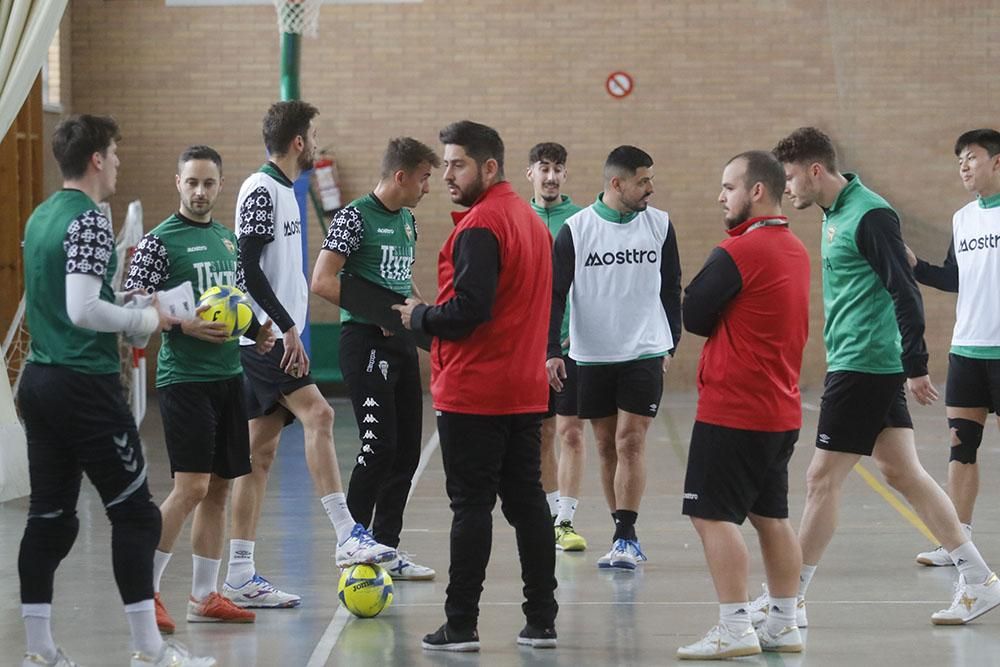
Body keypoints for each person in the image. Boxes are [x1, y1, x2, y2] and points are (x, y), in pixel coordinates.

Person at [756, 126, 1000, 628]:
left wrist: (915, 363)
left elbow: (904, 291)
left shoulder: (869, 214)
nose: (789, 188)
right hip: (859, 362)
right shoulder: (834, 214)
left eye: (792, 177)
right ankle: (978, 579)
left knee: (820, 479)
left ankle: (787, 600)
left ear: (816, 170)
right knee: (903, 473)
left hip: (865, 365)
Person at [18, 115, 213, 666]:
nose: (120, 164)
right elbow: (83, 310)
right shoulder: (89, 220)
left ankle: (39, 649)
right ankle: (149, 649)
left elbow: (65, 300)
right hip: (83, 384)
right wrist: (148, 319)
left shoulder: (40, 217)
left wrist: (124, 301)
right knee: (135, 515)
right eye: (116, 155)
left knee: (51, 519)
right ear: (98, 159)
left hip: (39, 379)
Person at [393, 120, 558, 652]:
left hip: (475, 391)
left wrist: (420, 316)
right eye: (444, 164)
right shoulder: (530, 221)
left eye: (457, 164)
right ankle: (542, 620)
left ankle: (460, 624)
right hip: (522, 390)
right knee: (528, 503)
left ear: (489, 167)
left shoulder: (483, 225)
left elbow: (469, 311)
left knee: (471, 507)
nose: (447, 174)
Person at [225, 101, 395, 609]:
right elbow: (245, 270)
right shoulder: (261, 189)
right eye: (313, 135)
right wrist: (283, 328)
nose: (316, 142)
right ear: (299, 141)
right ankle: (347, 534)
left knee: (258, 458)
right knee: (320, 413)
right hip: (266, 341)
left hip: (275, 337)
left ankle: (237, 574)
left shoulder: (284, 189)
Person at [124, 146, 276, 633]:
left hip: (229, 378)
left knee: (220, 489)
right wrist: (179, 326)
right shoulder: (158, 242)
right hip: (184, 382)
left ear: (219, 186)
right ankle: (143, 594)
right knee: (190, 488)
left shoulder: (227, 241)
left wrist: (259, 329)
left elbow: (229, 304)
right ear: (177, 183)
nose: (200, 191)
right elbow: (132, 302)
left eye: (209, 183)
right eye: (192, 182)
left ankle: (204, 595)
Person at [676, 151, 809, 659]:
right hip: (779, 411)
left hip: (735, 410)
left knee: (712, 516)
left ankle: (734, 628)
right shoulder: (794, 247)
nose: (720, 196)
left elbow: (693, 313)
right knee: (770, 517)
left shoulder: (740, 251)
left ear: (757, 191)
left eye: (728, 186)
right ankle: (782, 623)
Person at [311, 137, 440, 580]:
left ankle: (386, 547)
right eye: (424, 179)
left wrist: (429, 323)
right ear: (401, 176)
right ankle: (353, 543)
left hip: (400, 343)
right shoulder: (353, 217)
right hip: (364, 342)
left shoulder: (408, 220)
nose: (428, 188)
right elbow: (322, 281)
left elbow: (404, 284)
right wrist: (380, 310)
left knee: (406, 452)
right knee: (378, 446)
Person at [547, 145, 682, 570]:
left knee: (631, 440)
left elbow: (671, 285)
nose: (651, 189)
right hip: (591, 356)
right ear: (616, 183)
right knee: (606, 445)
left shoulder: (659, 225)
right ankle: (618, 528)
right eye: (643, 181)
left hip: (643, 351)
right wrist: (552, 350)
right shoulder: (577, 229)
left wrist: (670, 341)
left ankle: (626, 536)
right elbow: (554, 294)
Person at [906, 129, 1000, 567]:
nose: (963, 165)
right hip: (967, 350)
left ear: (996, 162)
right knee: (962, 445)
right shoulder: (963, 218)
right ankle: (958, 542)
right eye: (959, 159)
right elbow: (953, 277)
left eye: (972, 157)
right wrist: (914, 266)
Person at [526, 142, 587, 552]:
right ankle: (547, 515)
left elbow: (591, 284)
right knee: (543, 432)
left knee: (572, 432)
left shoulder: (581, 222)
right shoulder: (516, 219)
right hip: (528, 345)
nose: (550, 177)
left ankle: (565, 520)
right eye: (543, 168)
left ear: (565, 175)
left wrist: (573, 331)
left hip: (570, 344)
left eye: (558, 169)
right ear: (529, 173)